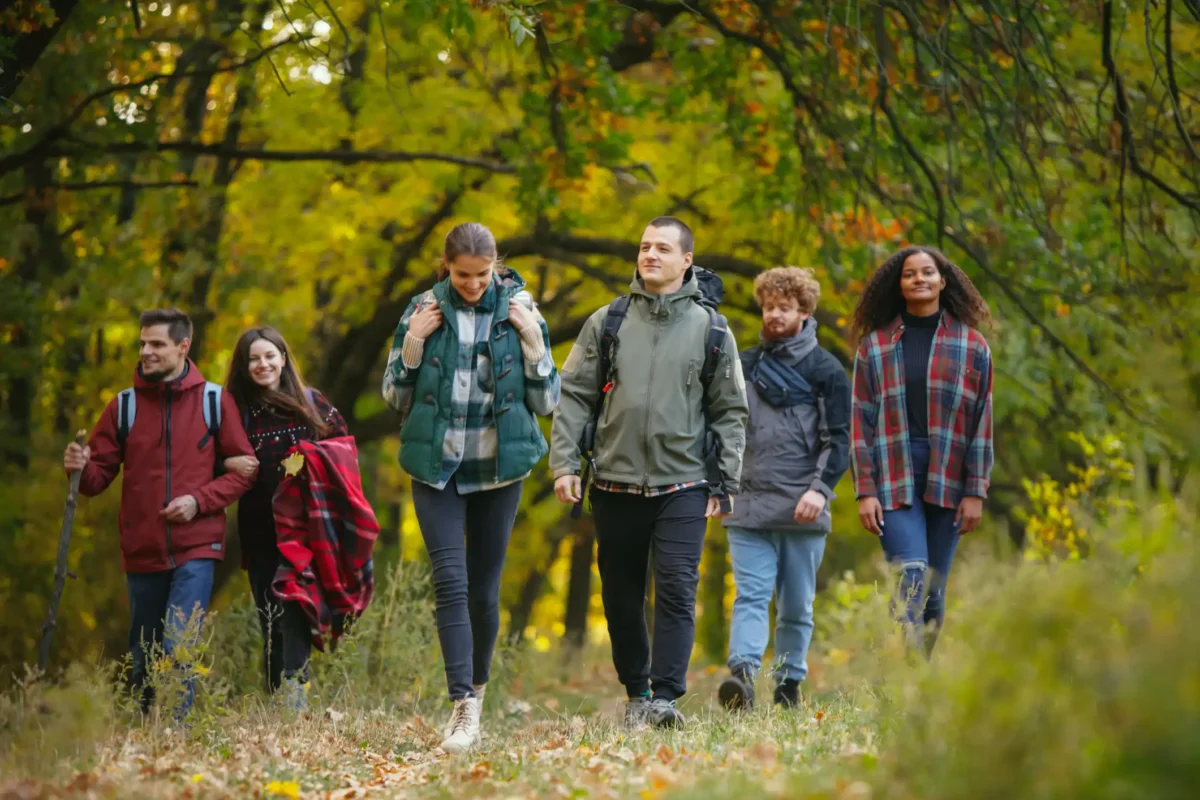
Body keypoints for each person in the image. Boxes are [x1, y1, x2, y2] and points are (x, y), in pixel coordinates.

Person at [550, 216, 749, 730]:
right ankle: (636, 691)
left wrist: (725, 480)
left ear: (687, 260)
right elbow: (574, 396)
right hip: (614, 482)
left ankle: (665, 698)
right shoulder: (607, 322)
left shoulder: (713, 330)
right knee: (618, 595)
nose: (650, 255)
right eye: (644, 246)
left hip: (683, 483)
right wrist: (565, 464)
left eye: (663, 248)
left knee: (679, 589)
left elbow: (730, 410)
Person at [381, 221, 560, 754]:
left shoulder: (520, 309)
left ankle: (477, 692)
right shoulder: (422, 310)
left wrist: (531, 340)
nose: (473, 284)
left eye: (483, 275)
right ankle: (461, 705)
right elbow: (393, 395)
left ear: (496, 266)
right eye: (463, 275)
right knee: (449, 583)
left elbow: (548, 402)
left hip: (499, 469)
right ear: (446, 266)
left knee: (484, 589)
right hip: (436, 468)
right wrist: (413, 342)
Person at [62, 308, 256, 717]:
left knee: (178, 644)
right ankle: (148, 732)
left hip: (197, 545)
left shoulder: (214, 400)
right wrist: (78, 468)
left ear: (183, 347)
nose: (145, 352)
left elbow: (244, 469)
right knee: (144, 650)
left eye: (156, 344)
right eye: (142, 343)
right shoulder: (124, 407)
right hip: (143, 547)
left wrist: (198, 502)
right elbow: (96, 481)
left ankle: (174, 734)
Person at [718, 267, 851, 712]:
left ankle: (789, 684)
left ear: (805, 311)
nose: (774, 315)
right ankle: (742, 676)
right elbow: (724, 428)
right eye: (769, 306)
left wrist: (820, 490)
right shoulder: (745, 364)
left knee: (796, 607)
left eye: (785, 308)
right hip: (748, 503)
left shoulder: (826, 370)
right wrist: (720, 486)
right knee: (751, 594)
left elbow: (840, 439)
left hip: (803, 507)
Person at [849, 246, 993, 656]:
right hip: (893, 469)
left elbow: (983, 422)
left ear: (943, 281)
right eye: (910, 274)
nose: (919, 280)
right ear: (899, 285)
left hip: (951, 473)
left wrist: (975, 491)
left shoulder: (973, 347)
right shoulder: (874, 348)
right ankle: (906, 667)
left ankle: (919, 678)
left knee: (932, 587)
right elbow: (859, 422)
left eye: (928, 272)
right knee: (910, 571)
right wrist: (865, 489)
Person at [221, 326, 349, 710]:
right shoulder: (235, 413)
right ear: (244, 367)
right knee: (271, 613)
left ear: (283, 358)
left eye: (269, 356)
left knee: (294, 605)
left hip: (306, 530)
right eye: (254, 359)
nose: (263, 364)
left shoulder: (313, 403)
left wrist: (316, 461)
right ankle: (280, 695)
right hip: (260, 529)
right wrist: (227, 461)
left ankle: (294, 691)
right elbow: (213, 460)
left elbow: (343, 450)